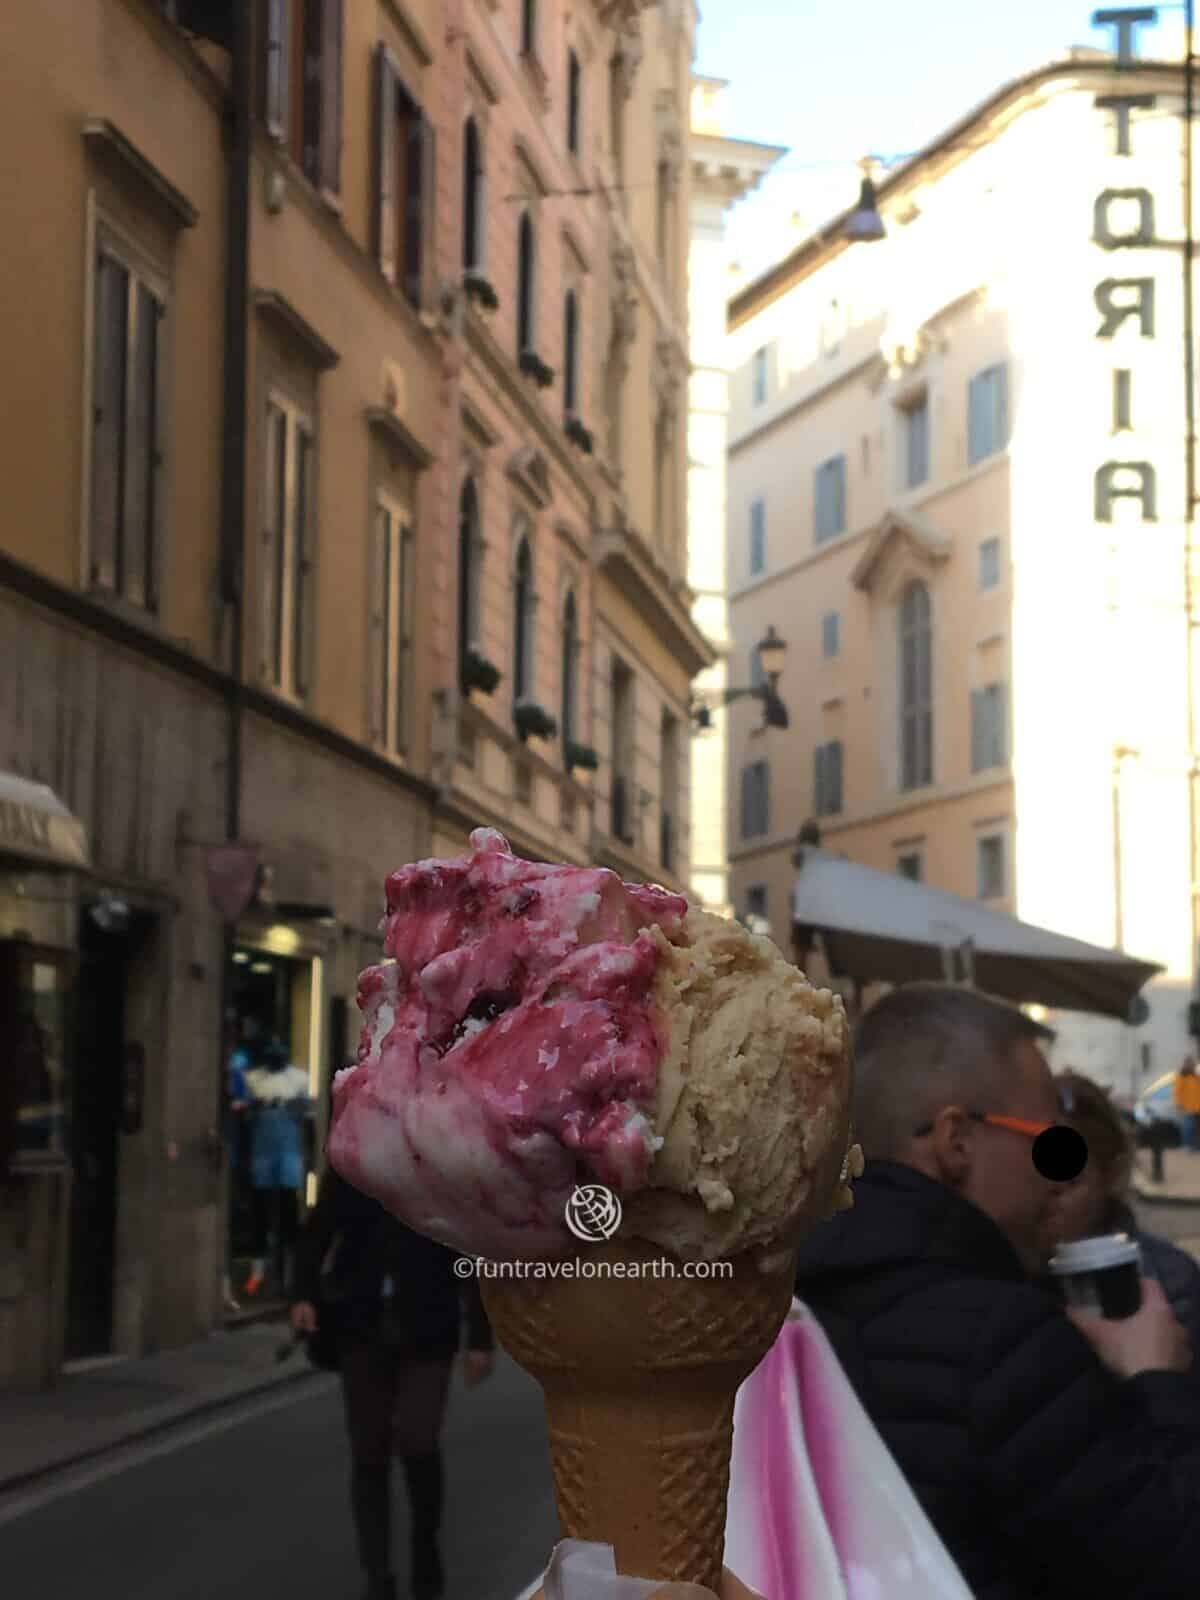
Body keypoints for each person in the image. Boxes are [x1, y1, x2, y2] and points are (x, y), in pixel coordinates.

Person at [793, 982, 1200, 1600]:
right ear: (957, 1141)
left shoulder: (781, 1300)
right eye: (1047, 1142)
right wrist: (1158, 1381)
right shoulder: (1006, 1339)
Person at [290, 1157, 495, 1600]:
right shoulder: (351, 1162)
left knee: (419, 1440)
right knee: (369, 1451)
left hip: (428, 1324)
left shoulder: (442, 1166)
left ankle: (426, 1552)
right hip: (360, 1324)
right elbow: (318, 1232)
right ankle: (377, 1577)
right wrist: (304, 1295)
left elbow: (469, 1253)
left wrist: (480, 1336)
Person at [1045, 1068, 1200, 1356]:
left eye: (1068, 1181)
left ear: (1110, 1175)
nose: (1045, 1195)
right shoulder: (1000, 1278)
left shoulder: (1170, 1279)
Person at [244, 1038, 314, 1296]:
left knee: (288, 1219)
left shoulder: (298, 1079)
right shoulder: (254, 1080)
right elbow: (245, 1116)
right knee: (259, 1217)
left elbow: (307, 1118)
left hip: (289, 1156)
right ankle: (256, 1276)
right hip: (261, 1156)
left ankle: (290, 1276)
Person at [1174, 1055, 1200, 1151]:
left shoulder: (1195, 1076)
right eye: (1189, 1063)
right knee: (1188, 1127)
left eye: (1193, 1063)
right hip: (1188, 1106)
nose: (1192, 1065)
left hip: (1197, 1106)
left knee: (1196, 1129)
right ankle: (1185, 1145)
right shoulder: (1181, 1076)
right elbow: (1177, 1091)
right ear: (1185, 1064)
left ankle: (1195, 1146)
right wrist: (1179, 1104)